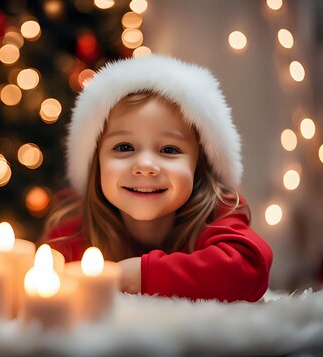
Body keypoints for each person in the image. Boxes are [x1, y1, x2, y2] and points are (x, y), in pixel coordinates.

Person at [43, 55, 273, 302]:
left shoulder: (217, 216)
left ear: (199, 168)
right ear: (95, 163)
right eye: (123, 147)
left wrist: (139, 275)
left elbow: (249, 269)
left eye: (169, 150)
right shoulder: (72, 235)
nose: (145, 166)